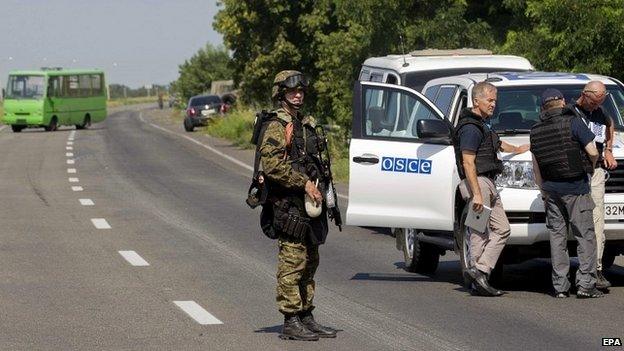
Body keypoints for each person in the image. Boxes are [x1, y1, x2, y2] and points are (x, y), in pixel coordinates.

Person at [259, 70, 337, 341]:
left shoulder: (305, 123)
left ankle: (306, 315)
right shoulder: (276, 126)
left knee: (310, 262)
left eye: (301, 91)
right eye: (292, 91)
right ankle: (290, 320)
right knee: (292, 263)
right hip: (289, 206)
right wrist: (304, 183)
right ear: (281, 93)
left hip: (310, 205)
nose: (298, 95)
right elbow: (272, 166)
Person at [453, 81, 529, 296]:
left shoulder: (483, 124)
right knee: (478, 231)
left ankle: (478, 270)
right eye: (489, 100)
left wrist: (518, 148)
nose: (493, 104)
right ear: (476, 101)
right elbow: (468, 162)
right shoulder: (470, 128)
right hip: (479, 183)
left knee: (502, 228)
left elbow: (497, 143)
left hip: (488, 183)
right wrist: (476, 193)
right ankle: (478, 274)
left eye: (495, 100)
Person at [530, 88, 603, 298]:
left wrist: (543, 190)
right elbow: (593, 151)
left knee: (557, 238)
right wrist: (590, 168)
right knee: (585, 237)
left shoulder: (535, 130)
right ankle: (585, 285)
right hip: (576, 188)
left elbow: (537, 170)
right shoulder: (574, 122)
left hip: (551, 191)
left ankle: (560, 286)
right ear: (562, 102)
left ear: (543, 107)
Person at [571, 81, 617, 290]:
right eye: (593, 102)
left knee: (597, 219)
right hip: (575, 172)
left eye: (600, 102)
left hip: (596, 171)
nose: (595, 106)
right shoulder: (571, 112)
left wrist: (608, 148)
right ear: (584, 95)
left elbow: (610, 124)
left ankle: (596, 269)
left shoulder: (600, 111)